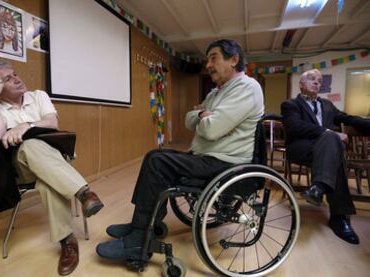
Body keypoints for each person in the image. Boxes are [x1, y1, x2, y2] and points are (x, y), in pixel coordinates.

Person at [96, 39, 264, 261]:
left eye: (214, 58)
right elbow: (189, 117)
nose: (208, 65)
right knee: (155, 155)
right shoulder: (216, 93)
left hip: (225, 163)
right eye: (208, 60)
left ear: (234, 60)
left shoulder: (247, 88)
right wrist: (203, 115)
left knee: (158, 163)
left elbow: (211, 129)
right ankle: (144, 223)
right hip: (206, 157)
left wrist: (204, 116)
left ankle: (137, 243)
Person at [0, 60, 104, 275]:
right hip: (20, 170)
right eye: (7, 78)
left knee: (47, 181)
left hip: (55, 164)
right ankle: (84, 192)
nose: (17, 78)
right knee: (30, 146)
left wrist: (27, 126)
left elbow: (51, 122)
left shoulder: (38, 96)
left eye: (15, 74)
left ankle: (67, 241)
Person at [281, 68, 370, 245]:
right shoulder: (290, 104)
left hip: (326, 150)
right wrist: (329, 132)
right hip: (302, 147)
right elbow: (294, 127)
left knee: (333, 150)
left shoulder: (327, 105)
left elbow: (348, 118)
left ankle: (318, 188)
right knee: (332, 140)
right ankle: (339, 218)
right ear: (301, 84)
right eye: (312, 79)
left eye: (319, 81)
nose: (316, 82)